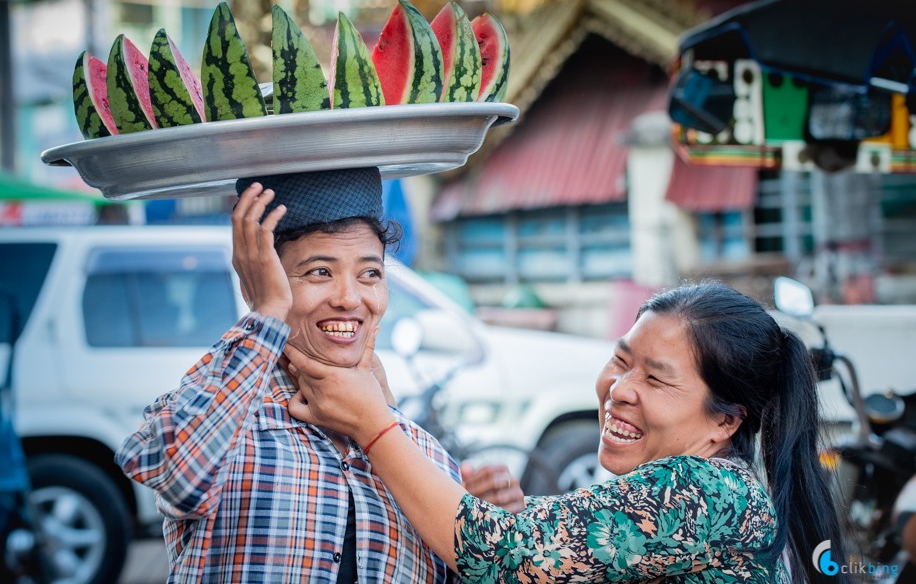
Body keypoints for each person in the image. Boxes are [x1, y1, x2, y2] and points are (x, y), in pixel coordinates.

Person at [289, 279, 851, 582]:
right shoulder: (700, 489)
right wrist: (515, 514)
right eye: (622, 360)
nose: (621, 388)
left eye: (656, 380)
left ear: (724, 421)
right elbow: (542, 550)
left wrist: (373, 422)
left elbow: (501, 555)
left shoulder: (706, 491)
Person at [115, 167, 522, 582]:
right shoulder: (231, 425)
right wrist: (268, 311)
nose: (350, 298)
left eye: (370, 273)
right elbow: (177, 476)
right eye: (319, 272)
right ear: (260, 278)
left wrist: (471, 532)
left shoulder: (421, 455)